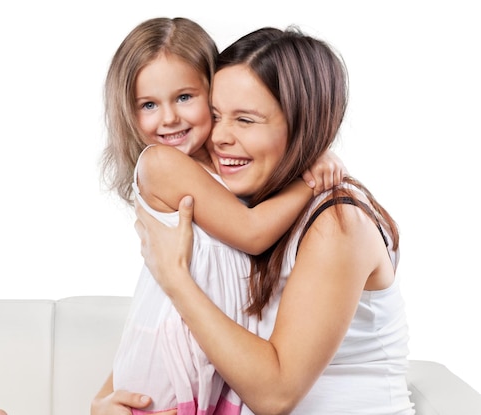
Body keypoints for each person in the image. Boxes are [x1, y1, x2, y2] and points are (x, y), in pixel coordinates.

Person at [99, 26, 415, 415]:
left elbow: (274, 396)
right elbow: (162, 320)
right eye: (215, 115)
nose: (219, 137)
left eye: (245, 120)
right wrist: (105, 402)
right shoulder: (244, 206)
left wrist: (175, 278)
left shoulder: (337, 222)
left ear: (304, 125)